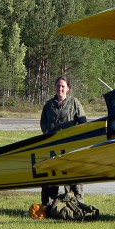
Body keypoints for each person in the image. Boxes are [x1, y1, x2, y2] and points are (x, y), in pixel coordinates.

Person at [40, 76, 87, 205]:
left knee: (73, 177)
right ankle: (48, 206)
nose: (60, 88)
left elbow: (83, 122)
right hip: (52, 148)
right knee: (51, 176)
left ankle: (77, 205)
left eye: (62, 86)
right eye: (58, 86)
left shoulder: (74, 102)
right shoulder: (49, 105)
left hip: (70, 148)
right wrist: (47, 133)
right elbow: (43, 122)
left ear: (67, 88)